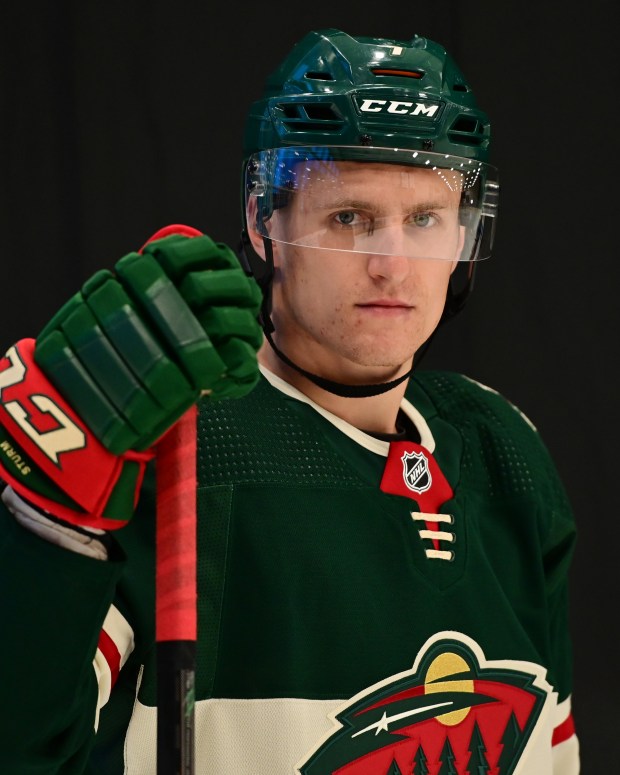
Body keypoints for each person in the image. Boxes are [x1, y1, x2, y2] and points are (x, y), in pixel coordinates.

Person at [0, 28, 579, 774]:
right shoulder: (171, 441)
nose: (391, 264)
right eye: (349, 218)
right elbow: (19, 743)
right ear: (261, 221)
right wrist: (43, 522)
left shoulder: (507, 449)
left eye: (425, 219)